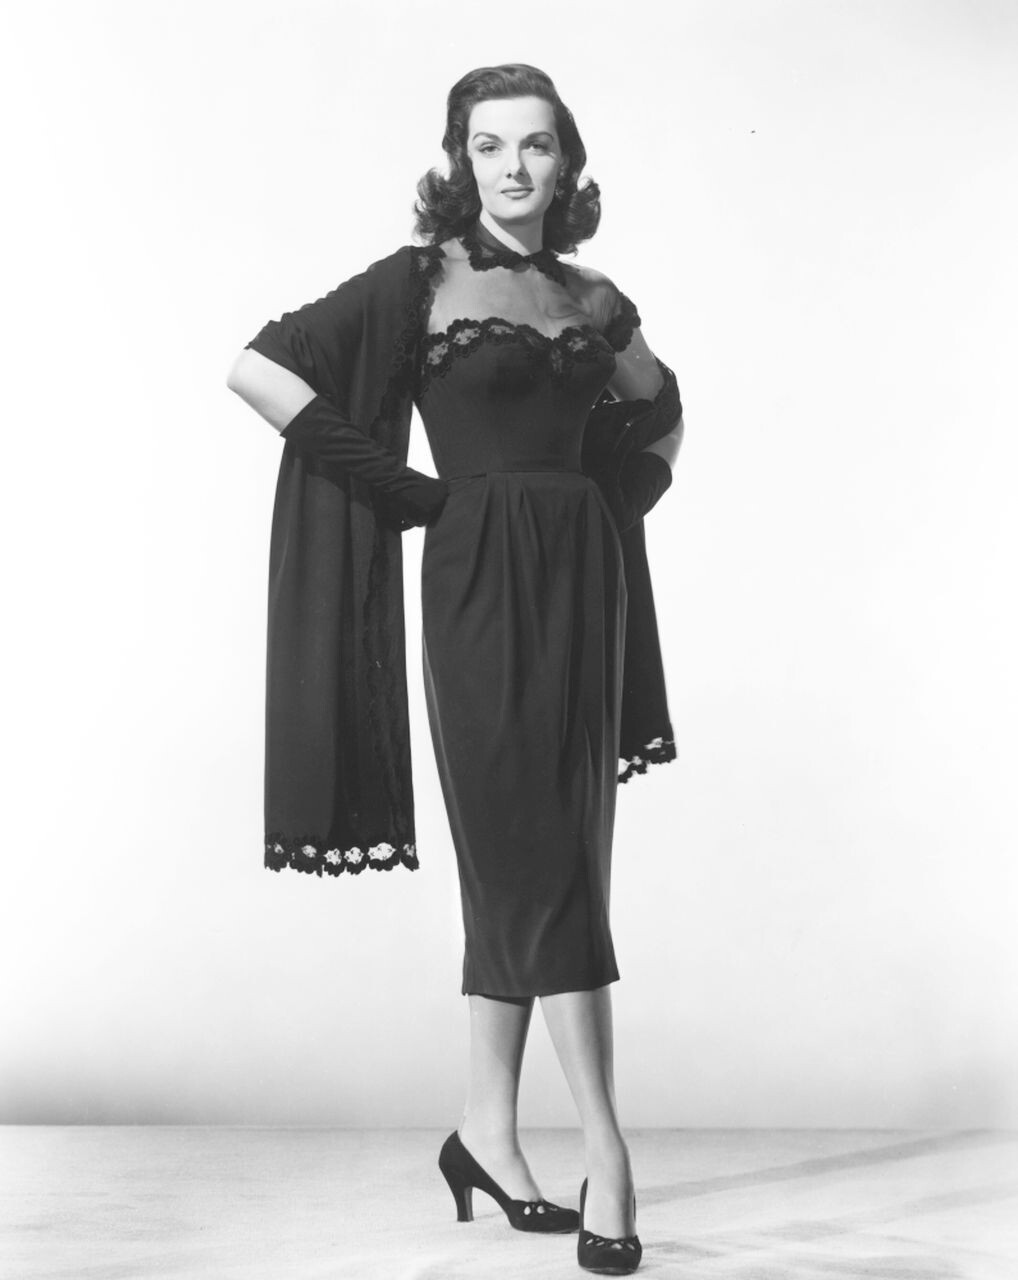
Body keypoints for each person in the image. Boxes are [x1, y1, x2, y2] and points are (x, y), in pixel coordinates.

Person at [227, 63, 684, 1276]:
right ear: (460, 159)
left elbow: (662, 409)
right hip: (477, 579)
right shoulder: (419, 280)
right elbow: (260, 367)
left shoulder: (592, 296)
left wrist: (615, 496)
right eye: (489, 146)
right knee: (536, 853)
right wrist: (405, 491)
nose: (513, 167)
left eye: (535, 145)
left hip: (583, 588)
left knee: (551, 851)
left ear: (566, 160)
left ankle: (485, 1128)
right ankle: (607, 1149)